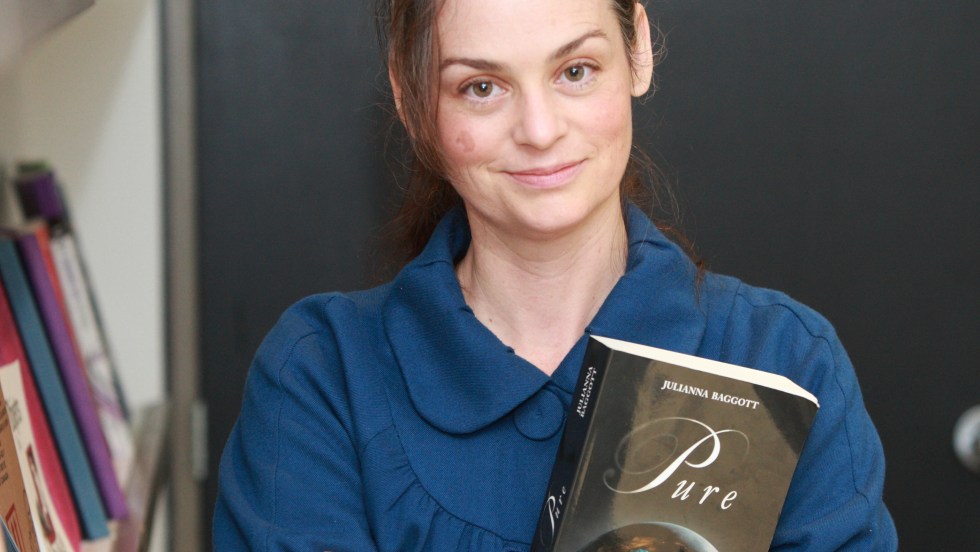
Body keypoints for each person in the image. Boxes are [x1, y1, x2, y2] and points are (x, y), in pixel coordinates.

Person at [213, 0, 898, 550]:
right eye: (482, 87)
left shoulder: (786, 363)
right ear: (408, 93)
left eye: (575, 71)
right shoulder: (321, 377)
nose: (539, 131)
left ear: (637, 50)